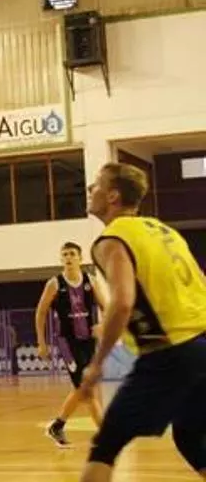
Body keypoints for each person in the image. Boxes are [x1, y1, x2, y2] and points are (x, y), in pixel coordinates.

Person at [78, 162, 206, 481]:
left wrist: (96, 364)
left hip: (171, 353)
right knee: (190, 436)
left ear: (113, 195)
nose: (90, 190)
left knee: (105, 447)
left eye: (96, 184)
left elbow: (122, 302)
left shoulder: (112, 239)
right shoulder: (165, 232)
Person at [35, 241, 107, 447]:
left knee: (85, 387)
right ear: (61, 259)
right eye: (65, 254)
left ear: (80, 258)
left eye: (72, 254)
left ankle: (57, 426)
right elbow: (40, 313)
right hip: (67, 342)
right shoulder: (54, 284)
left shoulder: (90, 281)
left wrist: (103, 325)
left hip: (88, 341)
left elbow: (106, 306)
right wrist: (41, 342)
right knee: (86, 387)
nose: (68, 257)